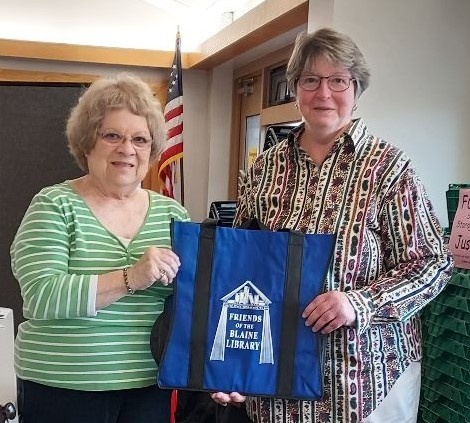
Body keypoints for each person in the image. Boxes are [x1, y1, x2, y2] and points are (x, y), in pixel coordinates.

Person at [212, 28, 453, 423]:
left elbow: (432, 263)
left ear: (357, 88)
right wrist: (231, 365)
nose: (324, 93)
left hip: (364, 382)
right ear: (295, 89)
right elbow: (240, 266)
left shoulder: (388, 167)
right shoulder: (265, 168)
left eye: (338, 80)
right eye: (311, 80)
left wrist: (359, 303)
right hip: (276, 384)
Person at [10, 73, 188, 423]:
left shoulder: (173, 214)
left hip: (149, 389)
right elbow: (42, 296)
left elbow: (193, 304)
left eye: (140, 139)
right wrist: (131, 277)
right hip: (63, 388)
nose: (127, 149)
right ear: (87, 142)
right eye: (112, 135)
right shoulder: (54, 205)